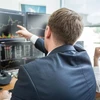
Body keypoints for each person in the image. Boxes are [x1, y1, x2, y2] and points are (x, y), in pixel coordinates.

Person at [0, 8, 96, 100]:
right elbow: (58, 49)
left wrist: (6, 98)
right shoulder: (83, 56)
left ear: (48, 31)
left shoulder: (30, 73)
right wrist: (31, 36)